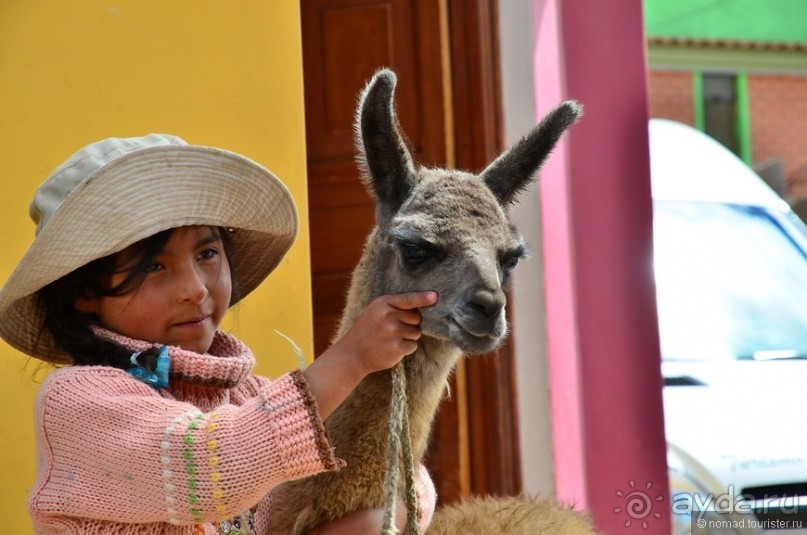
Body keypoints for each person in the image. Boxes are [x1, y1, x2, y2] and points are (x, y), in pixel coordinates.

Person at [0, 134, 438, 534]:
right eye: (155, 266)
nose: (195, 289)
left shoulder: (250, 397)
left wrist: (378, 515)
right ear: (85, 293)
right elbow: (214, 464)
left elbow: (406, 482)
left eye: (207, 253)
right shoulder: (78, 401)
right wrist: (352, 358)